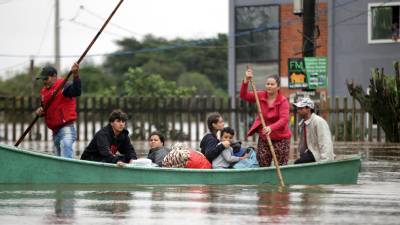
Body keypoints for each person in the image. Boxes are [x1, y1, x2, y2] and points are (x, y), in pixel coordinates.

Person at [240, 67, 291, 167]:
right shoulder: (260, 95)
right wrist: (246, 80)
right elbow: (244, 95)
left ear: (278, 87)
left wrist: (270, 128)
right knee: (262, 163)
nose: (269, 86)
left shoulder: (283, 101)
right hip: (264, 137)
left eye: (272, 84)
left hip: (281, 138)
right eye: (267, 84)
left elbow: (284, 119)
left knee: (281, 165)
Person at [35, 63, 81, 158]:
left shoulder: (63, 85)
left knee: (65, 145)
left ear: (54, 76)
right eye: (42, 79)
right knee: (57, 158)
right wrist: (40, 111)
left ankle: (68, 170)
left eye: (46, 79)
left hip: (66, 129)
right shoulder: (43, 92)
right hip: (55, 132)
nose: (44, 81)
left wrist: (75, 75)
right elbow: (44, 108)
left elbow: (77, 91)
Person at [293, 97, 334, 164]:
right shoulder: (303, 123)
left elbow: (325, 142)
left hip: (318, 155)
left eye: (301, 108)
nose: (298, 111)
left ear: (308, 109)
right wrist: (301, 156)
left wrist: (325, 161)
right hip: (311, 153)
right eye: (298, 108)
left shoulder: (318, 121)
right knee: (298, 162)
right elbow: (303, 146)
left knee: (298, 163)